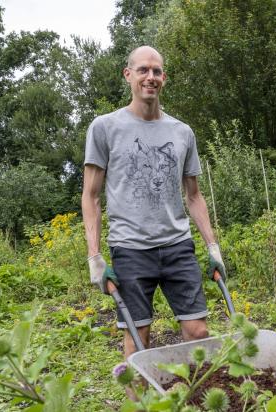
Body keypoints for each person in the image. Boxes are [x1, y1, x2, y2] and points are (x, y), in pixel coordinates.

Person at [81, 45, 225, 359]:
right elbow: (91, 196)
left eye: (157, 71)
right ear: (128, 75)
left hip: (177, 245)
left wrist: (213, 248)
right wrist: (95, 256)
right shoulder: (105, 128)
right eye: (143, 70)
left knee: (199, 334)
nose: (151, 77)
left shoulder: (182, 132)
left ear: (164, 78)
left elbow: (194, 195)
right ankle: (140, 406)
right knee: (138, 341)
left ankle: (192, 402)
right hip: (131, 249)